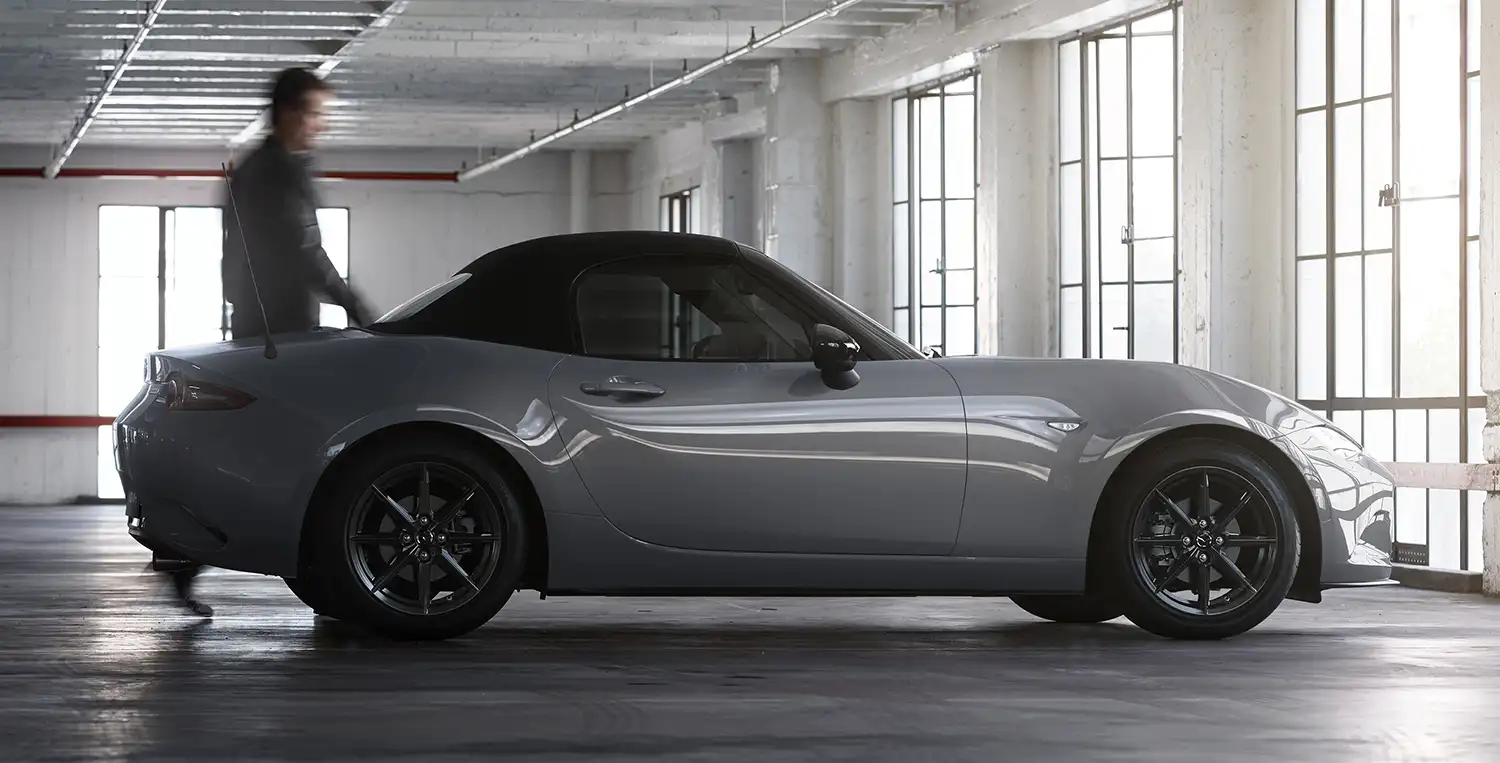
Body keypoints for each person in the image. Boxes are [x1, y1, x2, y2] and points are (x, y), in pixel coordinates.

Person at [158, 67, 375, 617]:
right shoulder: (279, 172)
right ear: (286, 113)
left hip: (259, 323)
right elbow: (304, 250)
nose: (319, 127)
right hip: (282, 331)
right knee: (288, 444)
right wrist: (353, 303)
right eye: (313, 114)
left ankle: (184, 549)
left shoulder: (256, 168)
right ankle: (185, 548)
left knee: (261, 441)